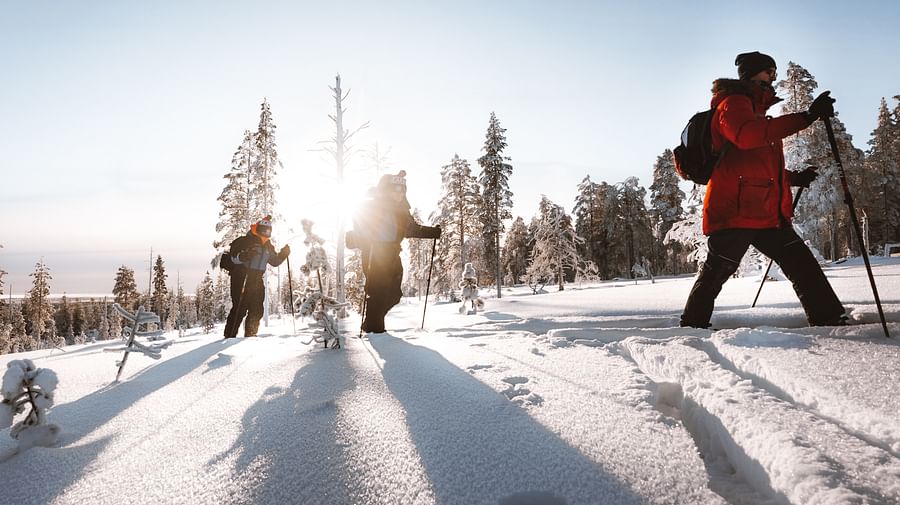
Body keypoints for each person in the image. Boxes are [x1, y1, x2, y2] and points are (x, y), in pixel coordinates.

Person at [680, 51, 846, 329]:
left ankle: (829, 318)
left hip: (765, 213)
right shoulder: (733, 104)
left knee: (801, 263)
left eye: (774, 72)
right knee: (716, 271)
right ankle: (693, 326)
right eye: (769, 71)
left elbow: (756, 165)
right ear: (751, 74)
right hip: (735, 211)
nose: (773, 76)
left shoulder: (756, 111)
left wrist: (793, 178)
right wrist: (806, 117)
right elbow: (747, 137)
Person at [348, 171, 441, 334]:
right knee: (378, 292)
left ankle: (370, 322)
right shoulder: (373, 205)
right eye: (395, 189)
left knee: (395, 295)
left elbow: (412, 229)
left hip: (392, 255)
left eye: (402, 190)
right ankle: (376, 331)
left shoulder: (402, 210)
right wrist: (355, 238)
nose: (400, 193)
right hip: (374, 254)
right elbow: (359, 224)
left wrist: (432, 232)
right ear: (386, 190)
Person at [222, 215, 290, 338]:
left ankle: (250, 335)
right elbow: (233, 258)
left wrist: (283, 254)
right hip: (241, 277)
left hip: (257, 279)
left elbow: (274, 262)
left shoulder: (268, 246)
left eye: (269, 231)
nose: (266, 233)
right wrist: (245, 256)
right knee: (239, 308)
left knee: (257, 309)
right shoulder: (244, 241)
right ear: (257, 228)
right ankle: (229, 337)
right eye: (264, 229)